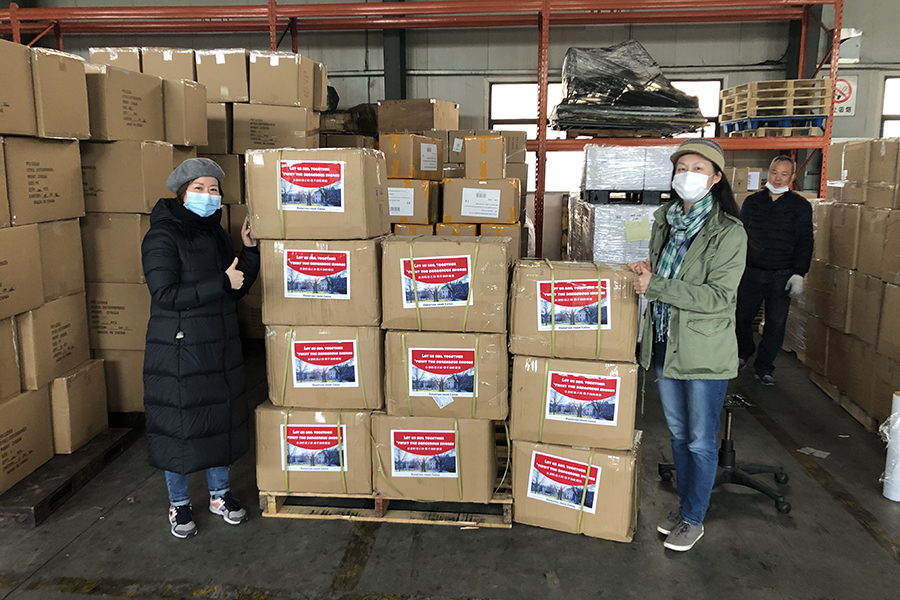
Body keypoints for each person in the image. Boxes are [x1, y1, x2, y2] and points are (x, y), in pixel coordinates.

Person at [628, 139, 747, 552]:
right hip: (664, 342)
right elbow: (666, 277)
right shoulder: (666, 220)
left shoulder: (728, 233)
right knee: (678, 436)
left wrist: (657, 285)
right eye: (683, 167)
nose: (688, 174)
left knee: (699, 439)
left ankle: (694, 518)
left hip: (703, 350)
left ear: (715, 178)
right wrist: (648, 271)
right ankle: (686, 506)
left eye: (699, 168)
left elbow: (719, 297)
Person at [141, 158, 260, 539]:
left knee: (217, 420)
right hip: (179, 350)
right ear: (181, 193)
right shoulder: (162, 236)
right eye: (199, 189)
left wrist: (249, 251)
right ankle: (178, 504)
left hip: (219, 344)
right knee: (179, 424)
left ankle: (219, 496)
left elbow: (235, 285)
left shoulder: (214, 235)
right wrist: (219, 282)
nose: (208, 196)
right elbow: (165, 294)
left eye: (213, 190)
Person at [735, 156, 814, 386]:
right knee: (741, 318)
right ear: (767, 173)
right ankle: (744, 351)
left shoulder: (799, 206)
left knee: (775, 324)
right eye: (774, 173)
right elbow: (740, 236)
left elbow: (805, 241)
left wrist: (799, 273)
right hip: (751, 271)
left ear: (792, 177)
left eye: (784, 174)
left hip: (782, 273)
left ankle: (764, 367)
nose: (777, 178)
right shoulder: (752, 202)